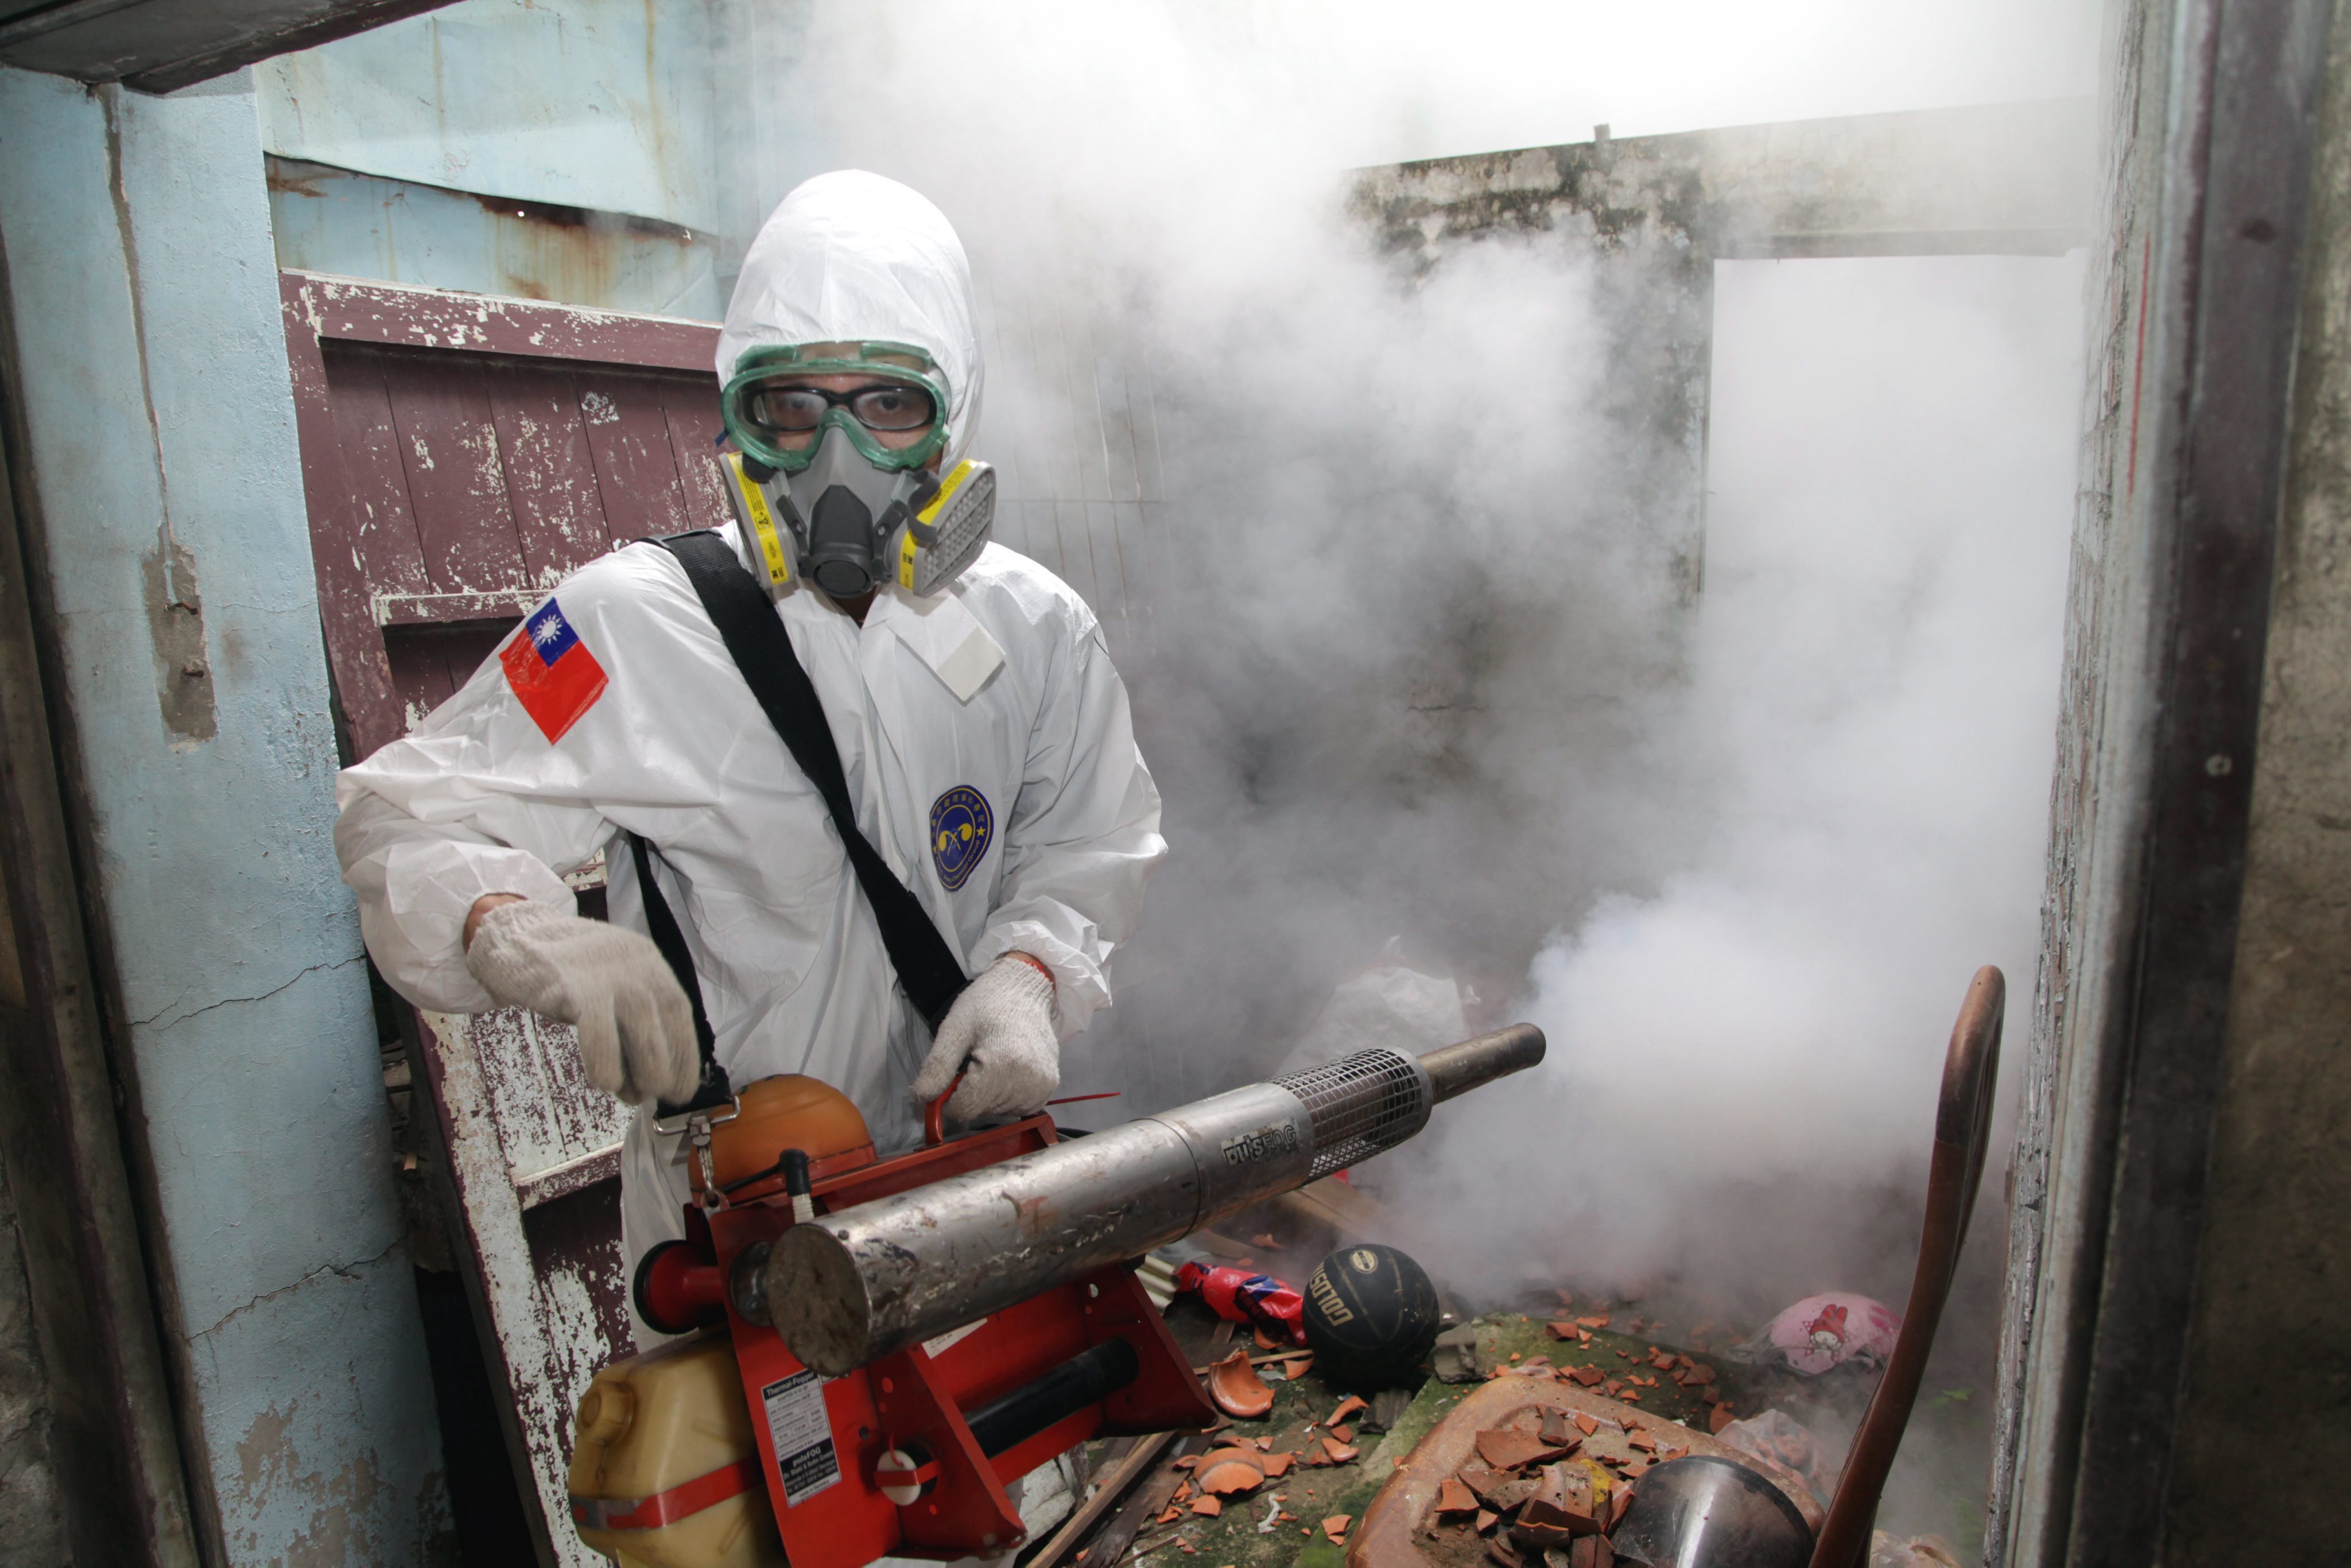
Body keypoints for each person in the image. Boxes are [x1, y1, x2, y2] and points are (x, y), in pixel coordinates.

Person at [333, 170, 1166, 1336]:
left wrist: (1031, 973)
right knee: (780, 1462)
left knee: (996, 1438)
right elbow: (406, 817)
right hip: (741, 1233)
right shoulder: (628, 624)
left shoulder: (1036, 628)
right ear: (737, 415)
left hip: (967, 1191)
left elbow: (1090, 837)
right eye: (791, 406)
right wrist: (505, 924)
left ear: (956, 412)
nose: (836, 454)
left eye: (888, 403)